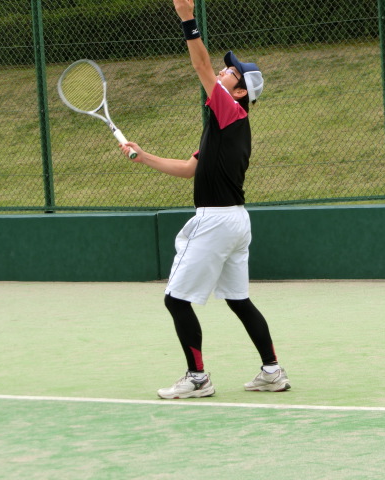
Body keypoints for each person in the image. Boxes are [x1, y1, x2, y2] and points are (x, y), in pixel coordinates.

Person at [120, 0, 290, 399]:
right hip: (236, 222)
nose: (223, 71)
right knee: (239, 301)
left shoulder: (232, 111)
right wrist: (143, 156)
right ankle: (272, 371)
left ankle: (197, 379)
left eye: (231, 72)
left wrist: (187, 18)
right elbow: (189, 169)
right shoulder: (225, 125)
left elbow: (200, 68)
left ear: (240, 91)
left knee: (175, 300)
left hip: (216, 221)